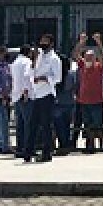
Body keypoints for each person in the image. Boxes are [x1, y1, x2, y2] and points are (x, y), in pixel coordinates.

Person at [27, 35, 61, 163]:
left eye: (45, 42)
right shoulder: (39, 56)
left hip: (47, 94)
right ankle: (28, 151)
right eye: (41, 42)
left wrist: (44, 78)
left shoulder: (54, 58)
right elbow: (31, 72)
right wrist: (34, 61)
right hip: (37, 94)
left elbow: (57, 78)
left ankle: (47, 153)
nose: (42, 44)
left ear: (51, 44)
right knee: (33, 124)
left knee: (46, 125)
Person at [76, 47, 103, 152]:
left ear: (95, 58)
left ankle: (102, 145)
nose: (88, 59)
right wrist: (81, 43)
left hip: (97, 100)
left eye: (91, 57)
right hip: (84, 100)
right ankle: (91, 145)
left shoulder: (99, 66)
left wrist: (99, 43)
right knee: (87, 124)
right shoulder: (83, 65)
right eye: (87, 57)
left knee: (98, 124)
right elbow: (76, 54)